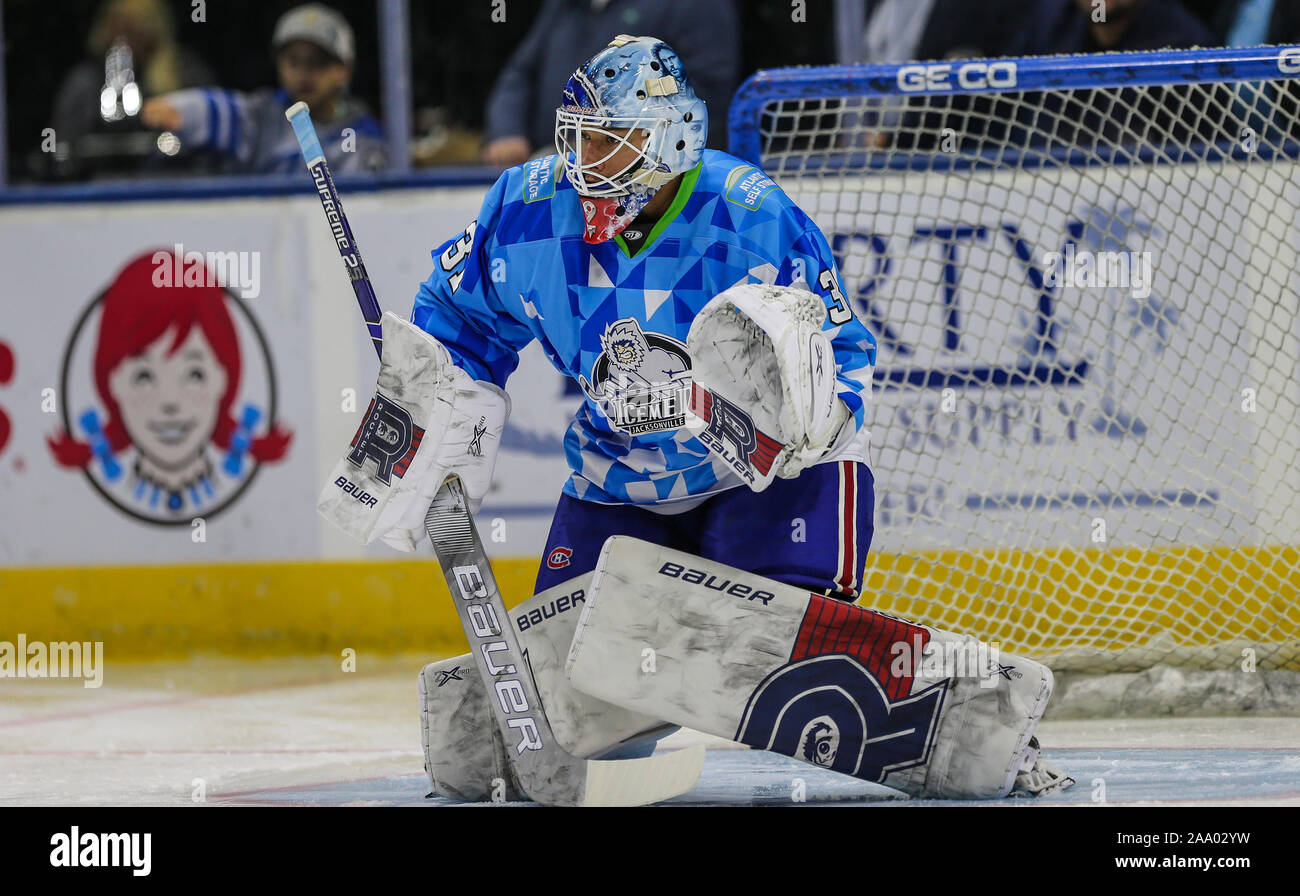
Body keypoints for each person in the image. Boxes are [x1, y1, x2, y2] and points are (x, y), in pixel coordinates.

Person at [317, 36, 1071, 802]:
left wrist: (804, 420)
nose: (587, 165)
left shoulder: (747, 215)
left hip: (767, 477)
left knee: (769, 652)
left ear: (671, 139)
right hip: (619, 483)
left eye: (611, 144)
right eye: (579, 139)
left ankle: (968, 715)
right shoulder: (525, 207)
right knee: (580, 668)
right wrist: (434, 417)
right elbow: (456, 321)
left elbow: (843, 351)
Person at [481, 0, 739, 167]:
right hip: (557, 167)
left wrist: (610, 141)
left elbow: (705, 89)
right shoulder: (564, 5)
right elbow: (520, 74)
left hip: (647, 180)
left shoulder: (697, 5)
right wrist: (507, 131)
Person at [140, 3, 385, 175]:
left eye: (318, 62)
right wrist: (180, 110)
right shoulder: (263, 115)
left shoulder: (366, 136)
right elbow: (224, 109)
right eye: (294, 61)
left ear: (344, 70)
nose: (304, 73)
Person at [47, 0, 214, 179]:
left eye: (134, 28)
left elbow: (208, 142)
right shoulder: (86, 83)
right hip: (100, 188)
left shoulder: (183, 74)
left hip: (173, 185)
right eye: (116, 26)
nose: (123, 37)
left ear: (154, 29)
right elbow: (63, 151)